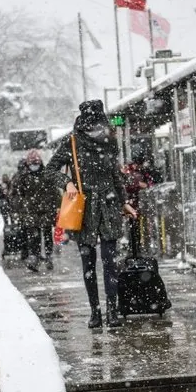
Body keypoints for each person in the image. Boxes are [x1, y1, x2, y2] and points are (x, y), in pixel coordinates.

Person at [46, 100, 137, 329]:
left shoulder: (108, 141)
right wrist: (67, 183)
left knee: (109, 262)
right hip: (84, 209)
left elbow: (115, 174)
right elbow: (51, 169)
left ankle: (112, 312)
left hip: (109, 207)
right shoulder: (73, 142)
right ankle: (95, 312)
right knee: (89, 263)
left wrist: (123, 200)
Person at [10, 149, 60, 272]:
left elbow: (55, 192)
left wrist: (57, 205)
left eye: (36, 163)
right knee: (34, 236)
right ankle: (35, 257)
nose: (34, 166)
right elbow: (15, 194)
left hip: (46, 210)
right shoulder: (22, 177)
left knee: (47, 234)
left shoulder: (47, 175)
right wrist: (20, 207)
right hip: (30, 211)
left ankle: (48, 255)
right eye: (32, 163)